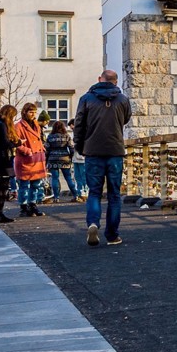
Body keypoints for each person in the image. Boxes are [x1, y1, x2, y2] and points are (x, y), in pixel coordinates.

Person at [75, 69, 131, 247]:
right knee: (114, 194)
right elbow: (125, 119)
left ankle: (93, 223)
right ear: (116, 81)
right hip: (115, 151)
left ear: (100, 79)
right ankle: (112, 235)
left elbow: (79, 125)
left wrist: (80, 146)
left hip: (93, 151)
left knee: (94, 192)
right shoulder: (122, 99)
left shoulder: (86, 99)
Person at [13, 103, 47, 216]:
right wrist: (27, 150)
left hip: (37, 159)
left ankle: (32, 205)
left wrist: (42, 148)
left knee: (36, 185)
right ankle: (23, 207)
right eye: (31, 112)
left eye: (35, 112)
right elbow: (15, 142)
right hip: (26, 159)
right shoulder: (18, 126)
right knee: (24, 185)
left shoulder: (36, 124)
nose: (33, 114)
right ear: (25, 112)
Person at [45, 120, 76, 202]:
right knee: (68, 178)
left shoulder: (50, 136)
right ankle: (75, 195)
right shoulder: (66, 136)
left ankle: (56, 197)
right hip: (65, 158)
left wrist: (46, 159)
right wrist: (70, 157)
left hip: (53, 159)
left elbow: (47, 149)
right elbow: (71, 148)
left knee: (55, 178)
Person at [68, 119, 86, 202]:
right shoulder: (75, 133)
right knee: (77, 177)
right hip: (76, 158)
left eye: (72, 126)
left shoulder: (82, 132)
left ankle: (84, 193)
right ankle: (79, 193)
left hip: (82, 158)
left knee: (83, 177)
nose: (71, 128)